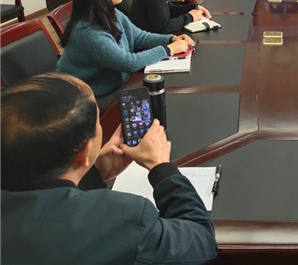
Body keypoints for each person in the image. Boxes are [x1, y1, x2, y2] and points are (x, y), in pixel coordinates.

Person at [1, 72, 218, 264]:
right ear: (84, 150)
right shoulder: (122, 219)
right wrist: (161, 167)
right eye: (98, 119)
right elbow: (200, 239)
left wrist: (92, 172)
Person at [57, 0, 194, 100]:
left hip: (118, 83)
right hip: (89, 97)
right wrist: (168, 49)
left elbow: (140, 37)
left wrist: (171, 39)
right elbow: (128, 63)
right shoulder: (90, 34)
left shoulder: (110, 12)